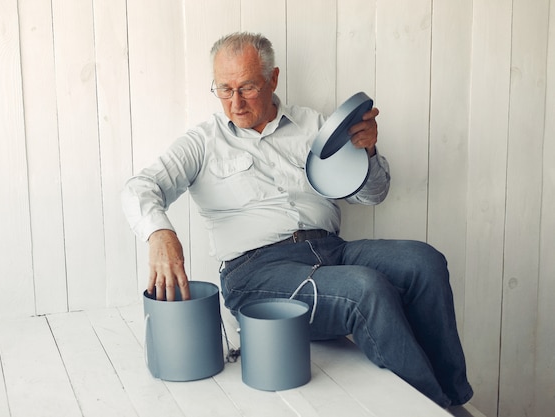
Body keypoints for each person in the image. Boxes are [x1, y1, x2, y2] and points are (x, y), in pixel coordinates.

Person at [122, 32, 473, 408]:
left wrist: (369, 150)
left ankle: (455, 398)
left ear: (273, 79)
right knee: (365, 288)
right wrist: (159, 233)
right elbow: (140, 186)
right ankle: (434, 408)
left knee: (424, 261)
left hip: (331, 252)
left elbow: (372, 195)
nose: (235, 103)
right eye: (224, 89)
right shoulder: (203, 142)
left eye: (247, 87)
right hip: (256, 273)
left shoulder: (316, 128)